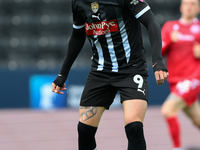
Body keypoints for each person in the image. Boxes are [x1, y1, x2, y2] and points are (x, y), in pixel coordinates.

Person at [52, 0, 168, 149]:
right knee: (84, 129)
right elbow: (77, 36)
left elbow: (152, 22)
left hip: (131, 69)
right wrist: (63, 74)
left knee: (134, 127)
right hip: (100, 71)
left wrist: (157, 61)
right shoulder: (78, 2)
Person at [161, 0, 200, 150]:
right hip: (175, 81)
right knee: (197, 120)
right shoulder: (170, 27)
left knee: (168, 110)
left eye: (193, 4)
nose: (189, 7)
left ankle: (176, 148)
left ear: (198, 8)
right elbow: (159, 51)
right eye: (186, 3)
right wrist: (170, 41)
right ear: (181, 7)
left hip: (193, 79)